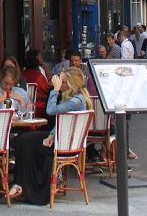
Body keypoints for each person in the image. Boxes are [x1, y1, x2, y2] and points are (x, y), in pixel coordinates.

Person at [7, 67, 91, 205]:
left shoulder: (76, 101)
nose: (59, 84)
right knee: (25, 140)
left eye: (62, 82)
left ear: (71, 83)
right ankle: (21, 184)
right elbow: (61, 122)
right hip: (61, 139)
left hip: (64, 144)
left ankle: (24, 186)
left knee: (27, 143)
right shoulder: (76, 99)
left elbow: (51, 111)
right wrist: (51, 135)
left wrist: (55, 90)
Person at [21, 52, 52, 118]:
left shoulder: (21, 75)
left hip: (23, 105)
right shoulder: (39, 77)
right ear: (37, 66)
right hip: (38, 106)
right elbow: (47, 90)